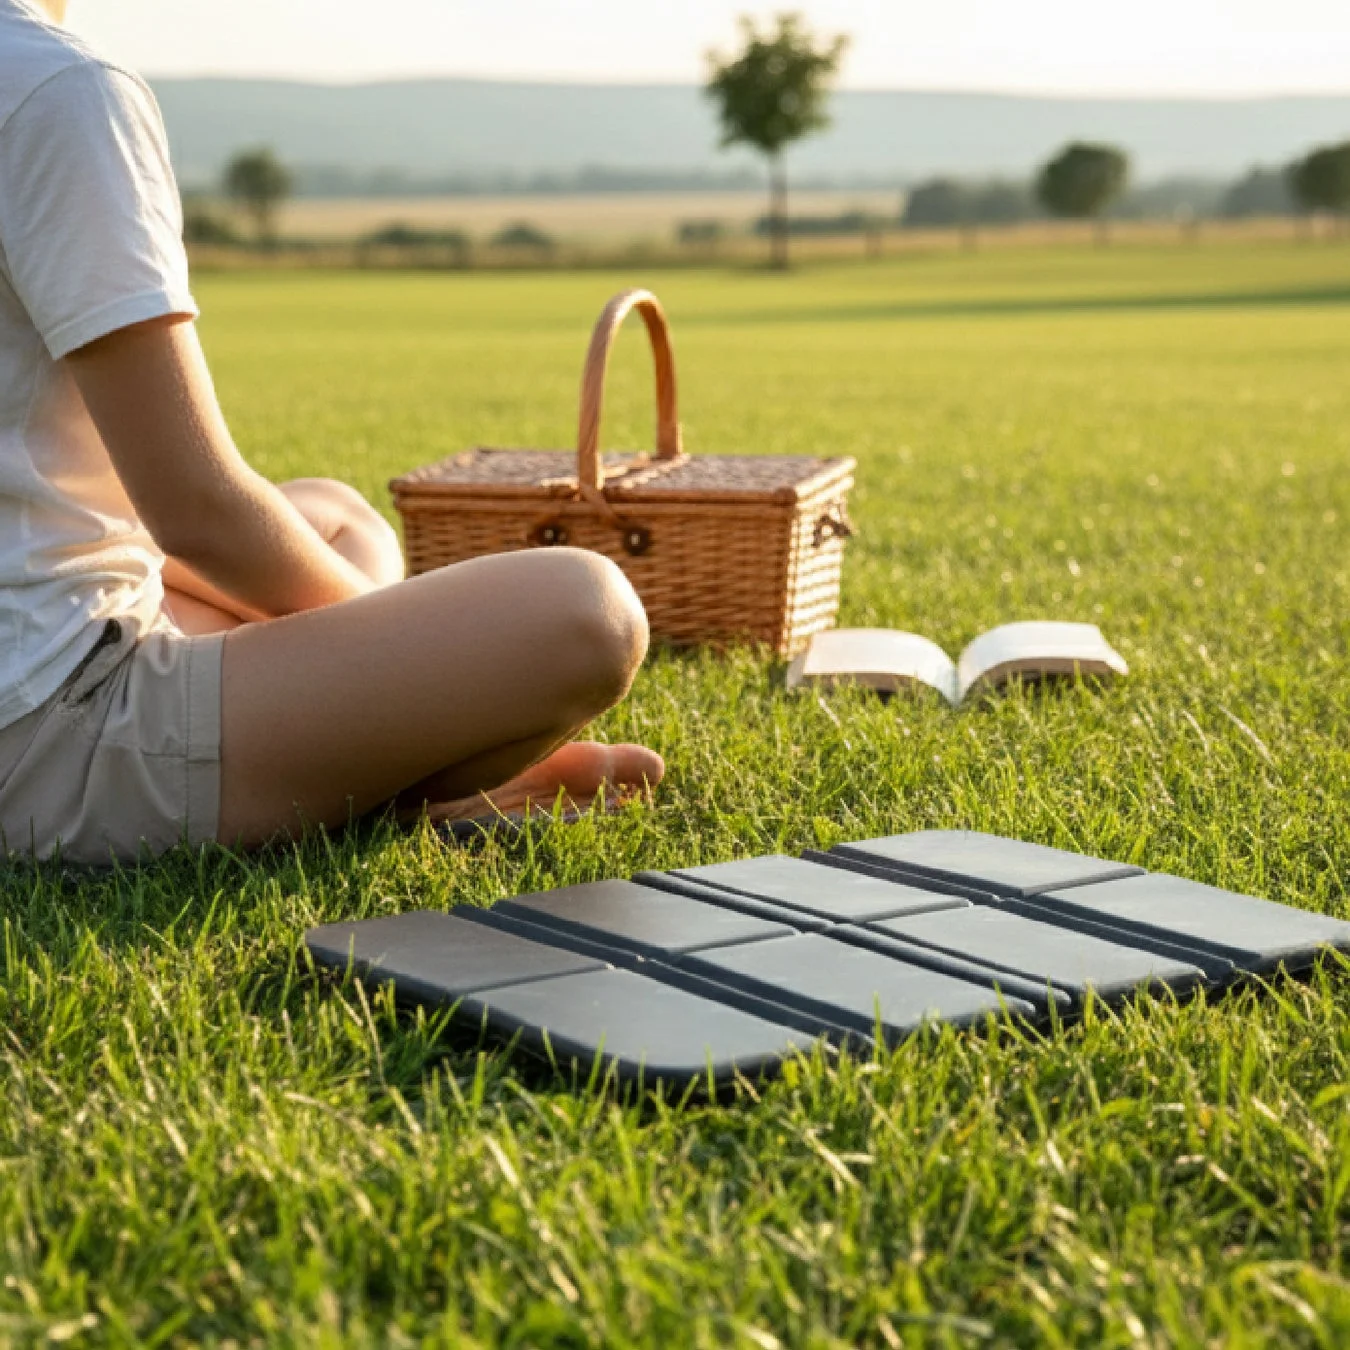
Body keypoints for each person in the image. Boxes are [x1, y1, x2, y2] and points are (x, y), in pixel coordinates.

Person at [0, 0, 664, 865]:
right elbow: (197, 510)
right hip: (48, 727)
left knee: (337, 515)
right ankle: (420, 786)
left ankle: (359, 762)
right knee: (589, 614)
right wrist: (421, 685)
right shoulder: (56, 90)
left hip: (38, 650)